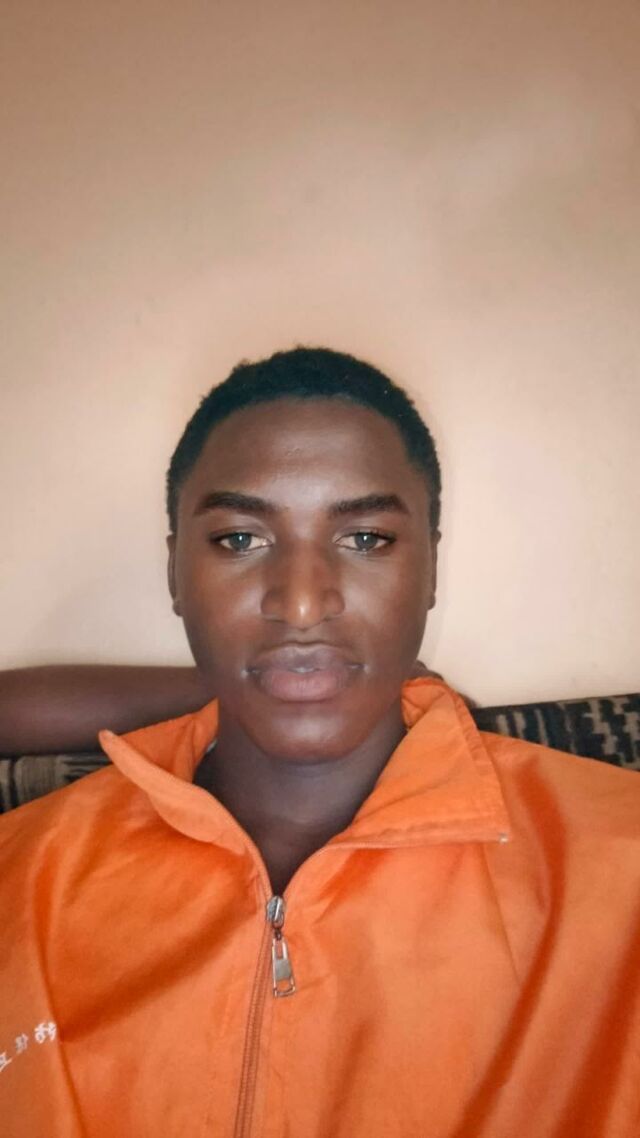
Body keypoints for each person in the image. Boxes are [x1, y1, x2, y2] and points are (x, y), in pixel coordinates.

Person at [0, 346, 638, 1137]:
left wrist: (263, 670)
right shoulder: (21, 878)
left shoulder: (620, 869)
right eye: (239, 540)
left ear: (431, 569)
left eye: (366, 538)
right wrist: (252, 675)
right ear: (174, 573)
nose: (302, 605)